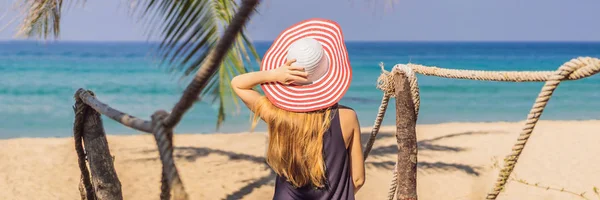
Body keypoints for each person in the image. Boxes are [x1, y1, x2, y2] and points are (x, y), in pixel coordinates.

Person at [231, 18, 365, 200]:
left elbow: (238, 84)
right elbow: (357, 179)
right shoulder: (347, 117)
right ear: (329, 72)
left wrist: (274, 74)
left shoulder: (277, 115)